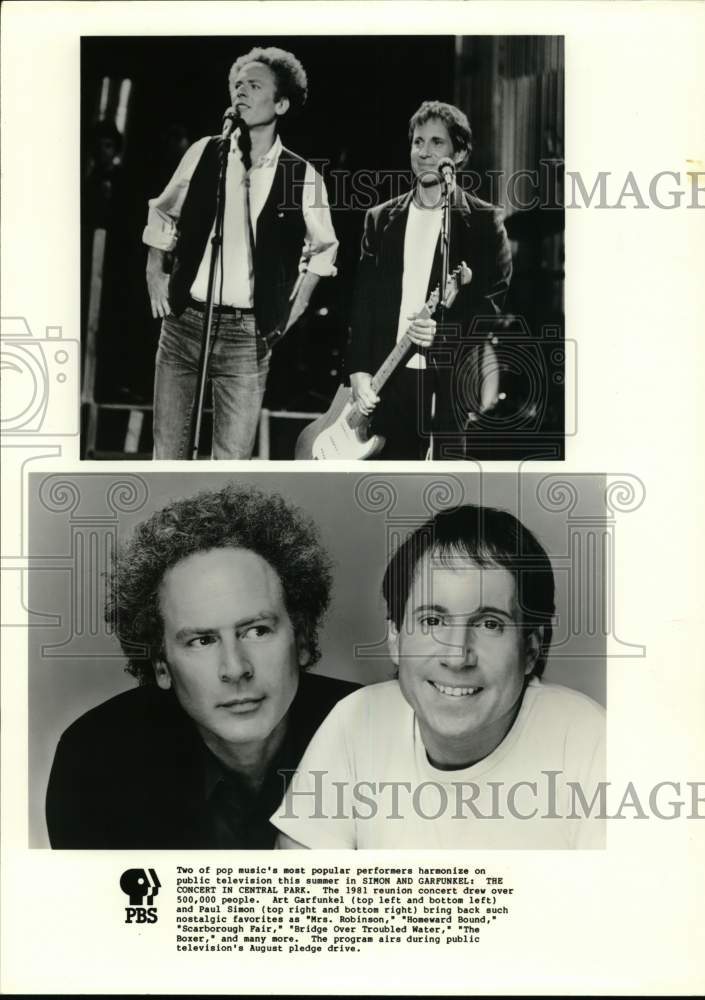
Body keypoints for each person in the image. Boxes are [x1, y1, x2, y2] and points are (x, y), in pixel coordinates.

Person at [273, 504, 605, 849]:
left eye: (489, 624)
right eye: (433, 621)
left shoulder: (588, 741)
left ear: (531, 648)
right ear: (395, 638)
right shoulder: (358, 721)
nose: (456, 655)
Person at [46, 484, 356, 849]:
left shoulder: (375, 726)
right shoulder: (94, 761)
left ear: (300, 639)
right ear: (162, 665)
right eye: (202, 641)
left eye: (257, 631)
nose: (235, 668)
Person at [143, 47, 339, 459]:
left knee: (231, 462)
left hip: (247, 337)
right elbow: (163, 211)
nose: (241, 92)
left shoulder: (302, 176)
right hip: (183, 324)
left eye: (254, 85)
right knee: (167, 455)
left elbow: (323, 251)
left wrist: (291, 311)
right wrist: (154, 271)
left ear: (281, 103)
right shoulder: (205, 152)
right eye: (237, 85)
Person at [346, 101, 512, 460]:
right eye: (418, 142)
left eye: (437, 142)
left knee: (443, 484)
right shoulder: (380, 219)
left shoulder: (483, 223)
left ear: (459, 153)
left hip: (448, 381)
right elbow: (363, 304)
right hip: (388, 382)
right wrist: (358, 371)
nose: (424, 152)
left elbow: (490, 307)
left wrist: (443, 333)